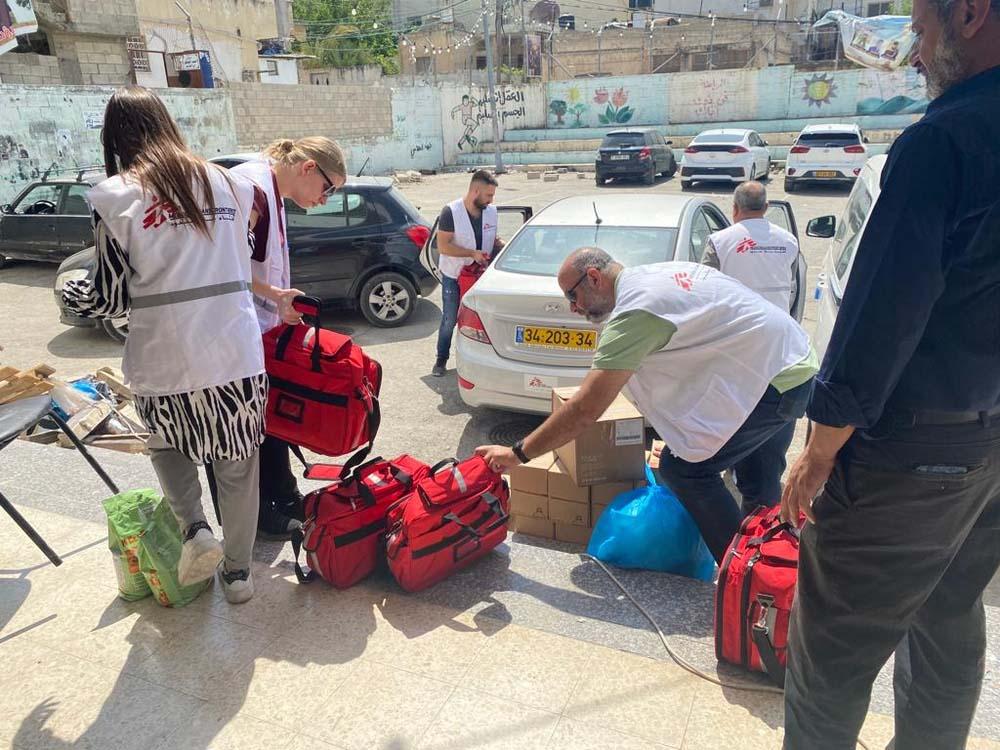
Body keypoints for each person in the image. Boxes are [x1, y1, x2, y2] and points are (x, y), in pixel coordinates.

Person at [779, 0, 1000, 746]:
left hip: (909, 456)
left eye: (921, 28)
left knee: (831, 659)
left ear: (968, 14)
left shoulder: (944, 140)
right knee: (948, 618)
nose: (912, 52)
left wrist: (819, 451)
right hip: (990, 449)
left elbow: (879, 320)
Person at [62, 86, 274, 603]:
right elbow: (237, 258)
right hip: (235, 351)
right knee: (239, 463)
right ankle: (240, 575)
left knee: (165, 443)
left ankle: (195, 530)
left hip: (165, 354)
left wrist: (74, 291)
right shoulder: (228, 182)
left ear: (115, 136)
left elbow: (109, 298)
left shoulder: (116, 195)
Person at [477, 249, 818, 563]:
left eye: (573, 295)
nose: (573, 308)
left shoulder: (635, 313)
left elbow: (585, 409)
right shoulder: (659, 274)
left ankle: (742, 576)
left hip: (771, 383)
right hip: (790, 363)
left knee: (685, 469)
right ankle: (777, 574)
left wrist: (517, 454)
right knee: (758, 485)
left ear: (594, 277)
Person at [225, 137, 347, 540]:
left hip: (259, 329)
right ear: (308, 168)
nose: (325, 199)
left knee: (270, 416)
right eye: (329, 188)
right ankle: (258, 514)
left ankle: (282, 494)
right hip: (232, 333)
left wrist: (279, 302)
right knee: (247, 428)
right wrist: (274, 296)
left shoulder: (271, 191)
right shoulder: (250, 188)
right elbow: (223, 265)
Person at [432, 170, 504, 377]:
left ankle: (485, 361)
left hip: (481, 277)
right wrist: (471, 253)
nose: (492, 200)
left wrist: (503, 246)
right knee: (450, 319)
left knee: (483, 321)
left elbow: (491, 238)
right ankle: (441, 359)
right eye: (489, 195)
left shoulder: (491, 211)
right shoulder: (451, 212)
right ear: (475, 191)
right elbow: (443, 247)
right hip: (454, 277)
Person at [703, 180, 800, 315]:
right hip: (777, 325)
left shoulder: (719, 241)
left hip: (734, 325)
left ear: (735, 208)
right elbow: (791, 283)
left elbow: (705, 286)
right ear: (766, 207)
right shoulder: (789, 241)